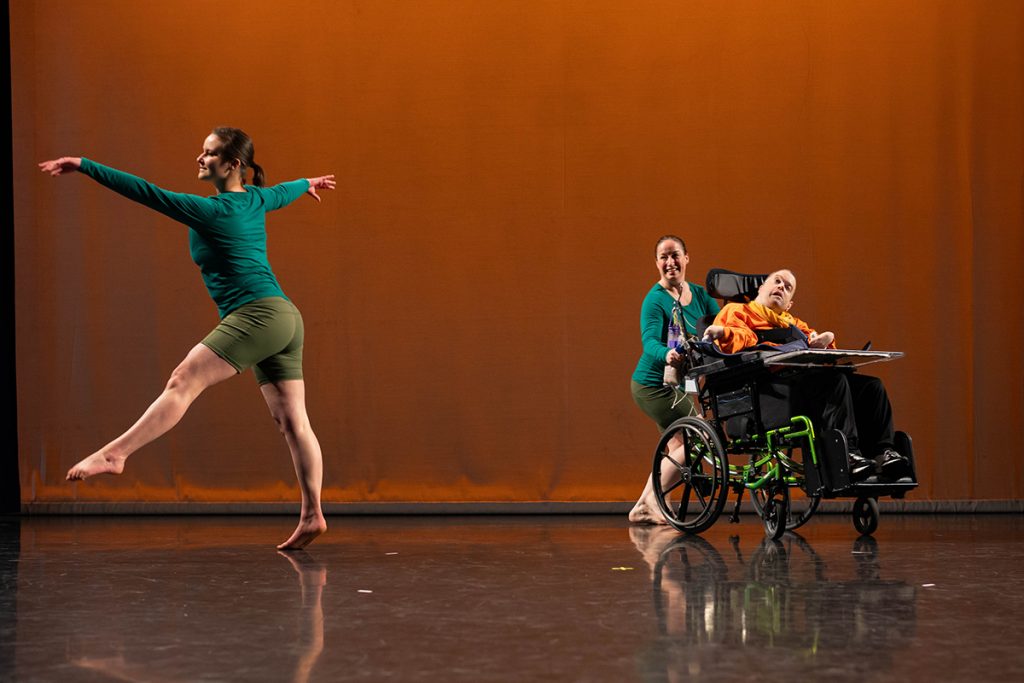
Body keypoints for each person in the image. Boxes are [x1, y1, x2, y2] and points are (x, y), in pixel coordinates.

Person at [38, 127, 336, 549]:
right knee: (294, 422)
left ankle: (115, 454)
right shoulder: (254, 199)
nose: (200, 158)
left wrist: (86, 166)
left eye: (210, 153)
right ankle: (312, 515)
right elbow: (282, 192)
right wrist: (308, 183)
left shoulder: (210, 211)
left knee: (183, 381)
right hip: (286, 318)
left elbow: (146, 192)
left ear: (232, 165)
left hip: (257, 314)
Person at [703, 269, 907, 477]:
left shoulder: (795, 325)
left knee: (871, 387)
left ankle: (883, 454)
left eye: (788, 287)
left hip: (800, 383)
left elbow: (818, 348)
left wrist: (826, 342)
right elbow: (737, 340)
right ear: (761, 288)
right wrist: (724, 332)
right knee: (832, 382)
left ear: (789, 303)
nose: (781, 287)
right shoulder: (737, 311)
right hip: (763, 388)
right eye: (777, 281)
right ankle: (848, 454)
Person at [629, 235, 720, 524]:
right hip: (653, 386)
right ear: (657, 263)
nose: (670, 262)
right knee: (699, 436)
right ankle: (652, 500)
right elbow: (649, 344)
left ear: (686, 257)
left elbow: (720, 323)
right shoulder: (654, 300)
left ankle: (646, 505)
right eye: (664, 257)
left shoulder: (700, 295)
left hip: (680, 385)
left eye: (675, 255)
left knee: (677, 445)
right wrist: (667, 354)